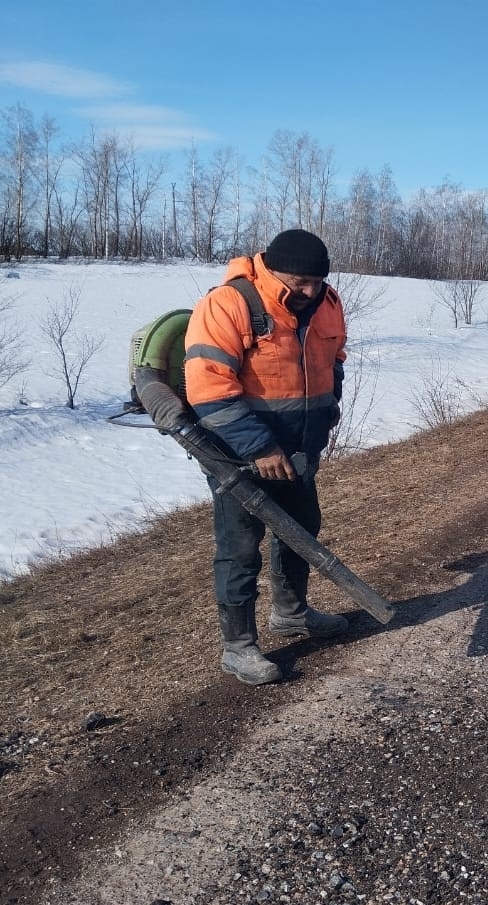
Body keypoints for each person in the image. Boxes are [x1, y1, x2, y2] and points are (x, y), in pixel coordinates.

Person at [185, 228, 349, 685]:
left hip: (300, 450)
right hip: (239, 457)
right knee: (240, 549)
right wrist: (260, 448)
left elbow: (334, 360)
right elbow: (209, 389)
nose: (310, 291)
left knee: (301, 530)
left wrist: (327, 411)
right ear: (273, 271)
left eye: (317, 281)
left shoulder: (328, 302)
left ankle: (292, 613)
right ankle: (238, 648)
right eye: (300, 282)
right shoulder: (228, 304)